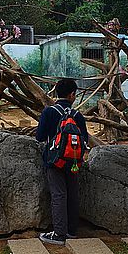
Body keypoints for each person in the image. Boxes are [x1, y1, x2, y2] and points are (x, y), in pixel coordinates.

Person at [36, 78, 89, 245]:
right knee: (72, 194)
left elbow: (40, 137)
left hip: (54, 160)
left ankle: (59, 234)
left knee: (58, 194)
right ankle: (72, 231)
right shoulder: (77, 115)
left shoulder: (49, 112)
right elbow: (85, 140)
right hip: (73, 161)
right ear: (72, 95)